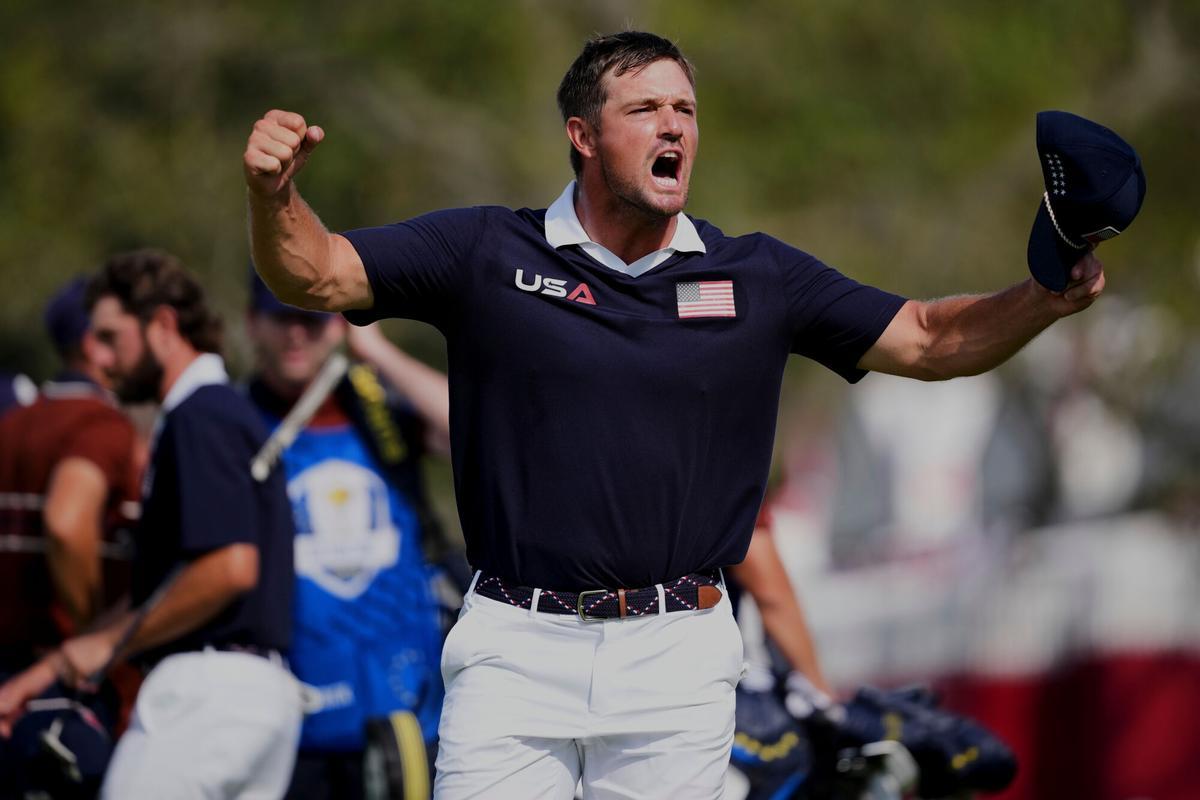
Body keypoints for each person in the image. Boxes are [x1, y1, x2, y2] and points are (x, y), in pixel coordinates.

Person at [242, 31, 1109, 799]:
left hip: (676, 655)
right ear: (583, 136)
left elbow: (925, 340)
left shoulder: (758, 277)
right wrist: (275, 196)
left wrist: (1041, 296)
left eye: (686, 109)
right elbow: (316, 275)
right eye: (646, 107)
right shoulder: (485, 251)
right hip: (512, 642)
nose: (675, 127)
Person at [0, 250, 302, 799]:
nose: (98, 356)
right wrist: (50, 671)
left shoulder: (200, 415)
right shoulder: (219, 413)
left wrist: (111, 643)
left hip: (207, 696)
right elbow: (169, 584)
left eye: (111, 337)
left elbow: (230, 567)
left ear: (162, 325)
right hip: (257, 697)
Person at [244, 271, 452, 798]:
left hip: (404, 713)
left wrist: (376, 351)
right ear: (252, 325)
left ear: (337, 326)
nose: (296, 334)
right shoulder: (233, 422)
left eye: (310, 321)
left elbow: (472, 430)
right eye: (280, 318)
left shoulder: (376, 407)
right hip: (290, 721)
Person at [0, 277, 140, 796]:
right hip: (64, 692)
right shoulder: (100, 423)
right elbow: (66, 521)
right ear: (94, 344)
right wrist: (91, 637)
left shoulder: (14, 422)